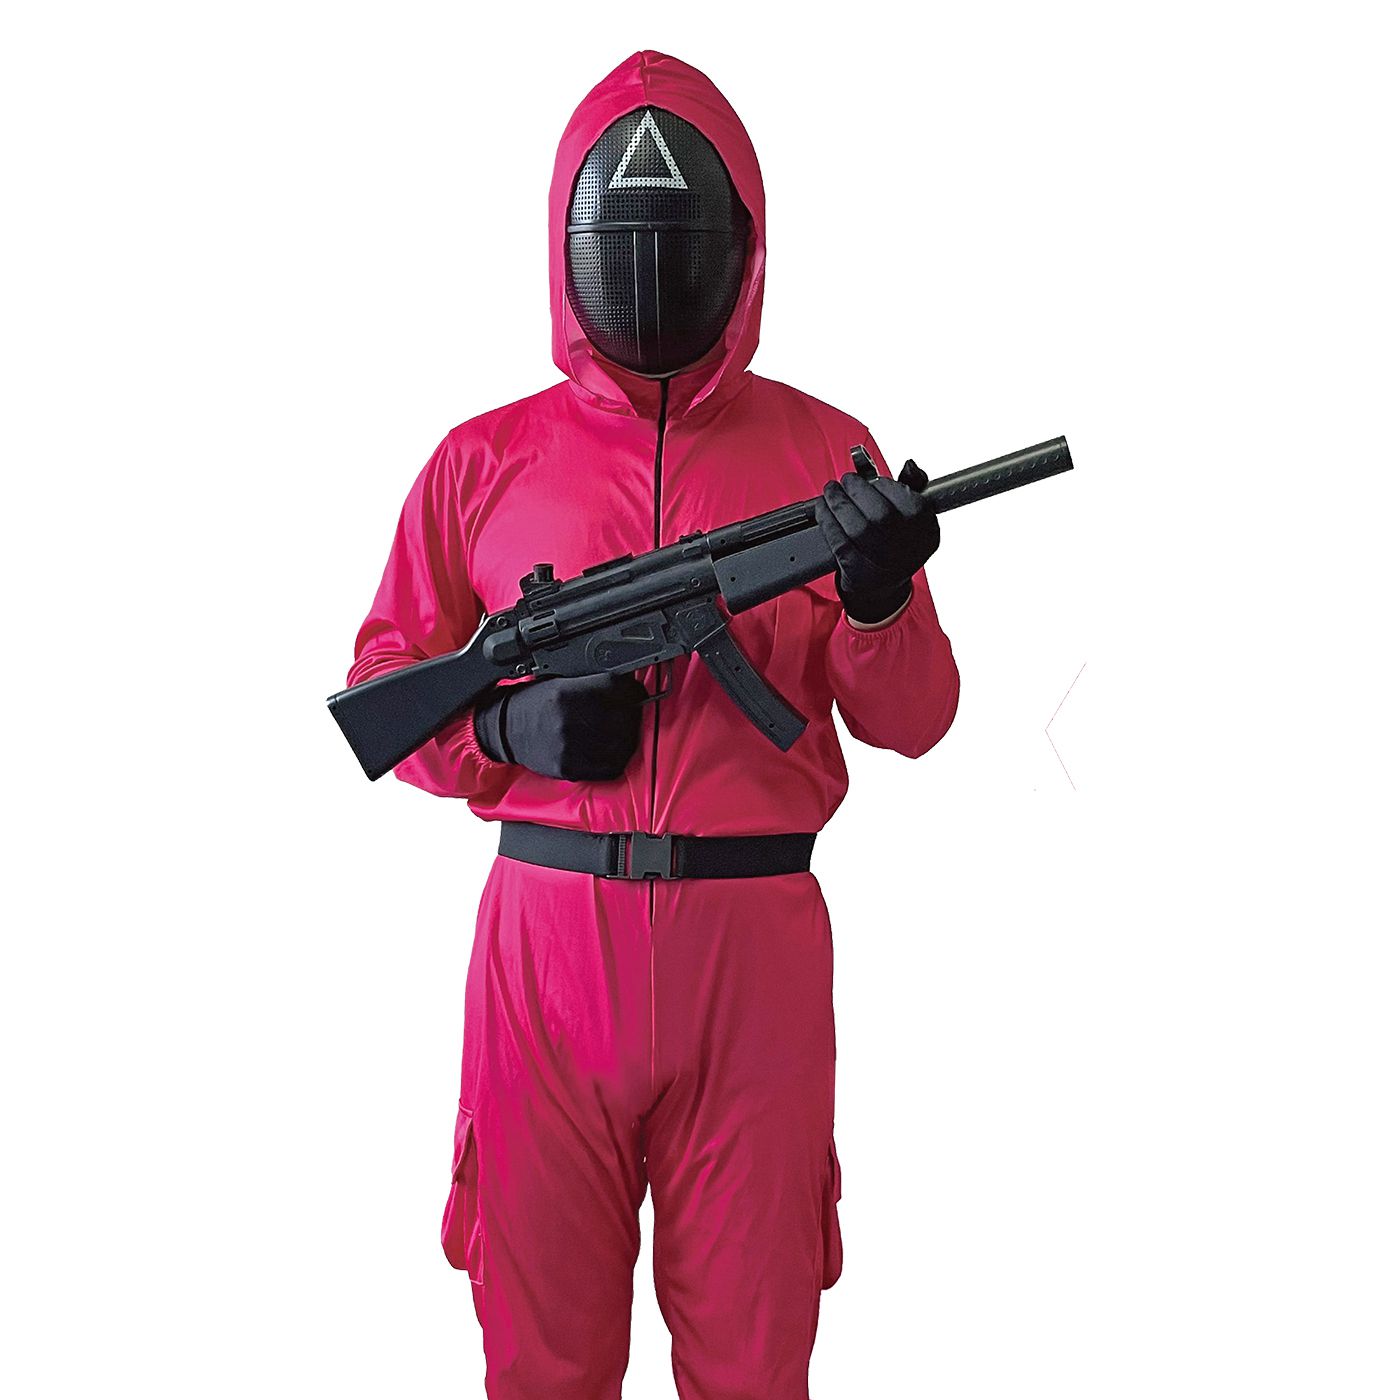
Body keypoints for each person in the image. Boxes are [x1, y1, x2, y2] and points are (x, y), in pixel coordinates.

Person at [347, 50, 958, 1400]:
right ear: (562, 246)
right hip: (544, 957)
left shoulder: (832, 459)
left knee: (755, 1364)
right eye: (616, 238)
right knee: (541, 1364)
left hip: (757, 953)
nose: (647, 265)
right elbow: (386, 684)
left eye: (680, 238)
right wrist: (506, 735)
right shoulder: (478, 461)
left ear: (745, 248)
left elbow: (917, 719)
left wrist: (877, 598)